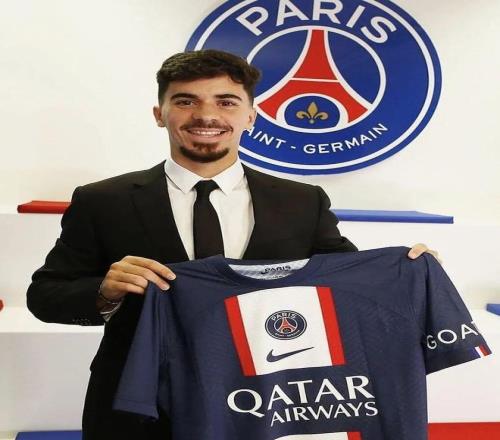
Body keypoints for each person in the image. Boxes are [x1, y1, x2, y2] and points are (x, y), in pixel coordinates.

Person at [26, 50, 438, 440]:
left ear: (250, 117)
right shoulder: (103, 200)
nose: (206, 115)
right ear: (159, 114)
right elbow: (45, 296)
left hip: (265, 403)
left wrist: (408, 274)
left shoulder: (301, 200)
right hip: (140, 406)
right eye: (185, 101)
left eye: (226, 102)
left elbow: (347, 289)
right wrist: (104, 293)